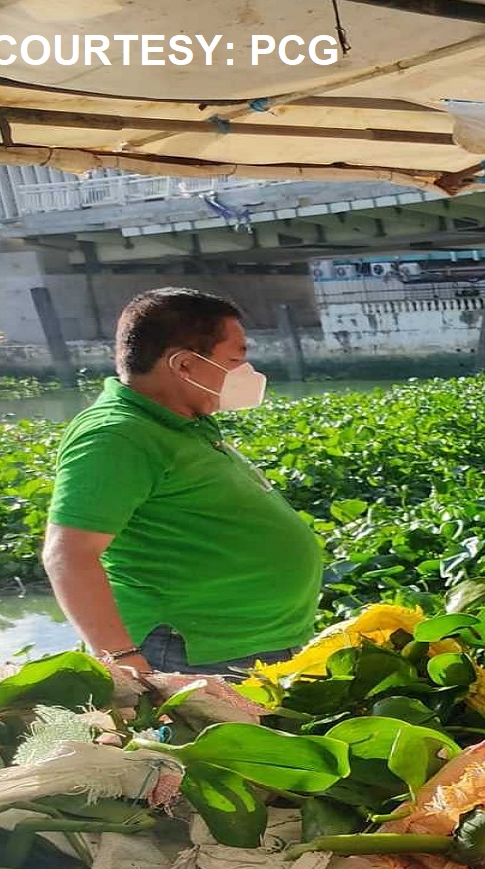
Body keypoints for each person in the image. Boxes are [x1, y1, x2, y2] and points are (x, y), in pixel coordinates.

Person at [42, 288, 319, 678]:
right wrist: (122, 658)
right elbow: (69, 556)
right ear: (185, 365)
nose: (248, 371)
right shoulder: (117, 435)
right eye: (235, 359)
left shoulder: (182, 419)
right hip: (192, 651)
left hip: (257, 642)